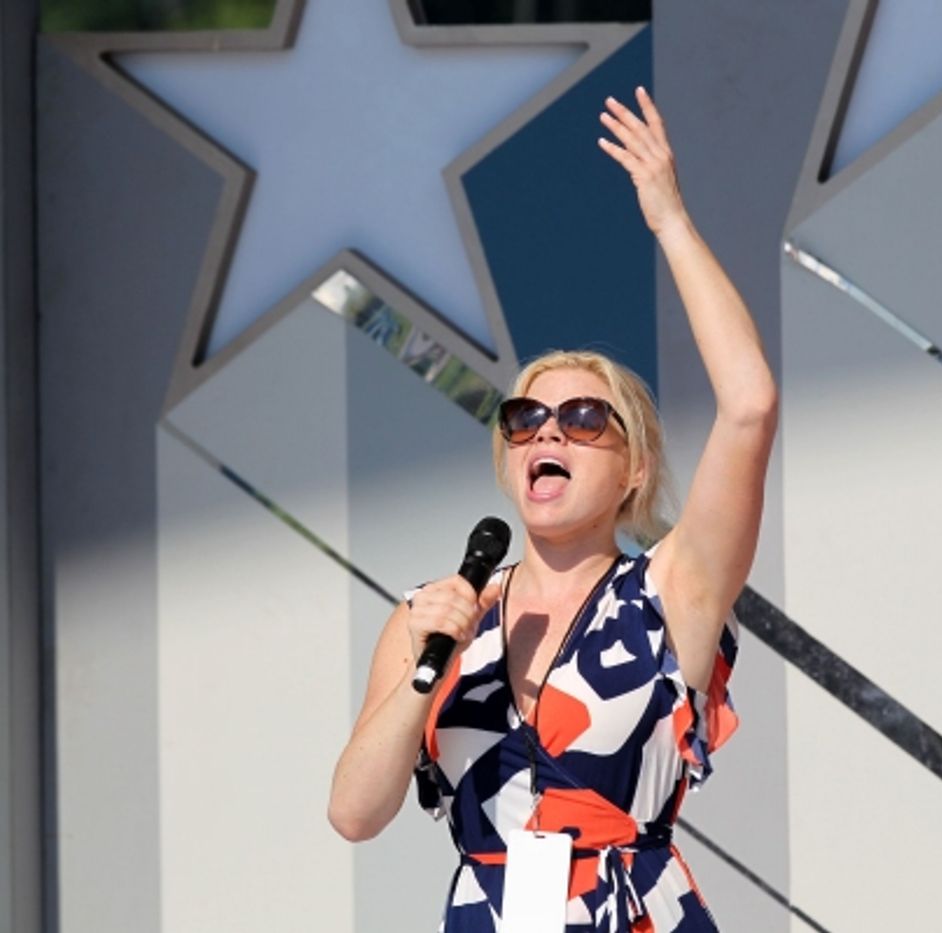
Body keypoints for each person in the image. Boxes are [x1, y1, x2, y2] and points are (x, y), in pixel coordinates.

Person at [328, 86, 777, 931]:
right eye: (526, 418)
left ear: (634, 467)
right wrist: (429, 666)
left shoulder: (670, 592)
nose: (550, 432)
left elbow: (750, 404)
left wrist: (670, 220)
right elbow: (354, 812)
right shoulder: (435, 614)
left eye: (583, 419)